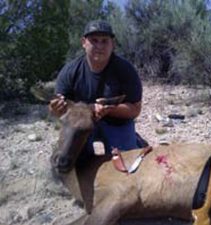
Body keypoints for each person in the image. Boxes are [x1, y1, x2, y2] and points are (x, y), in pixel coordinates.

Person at [49, 20, 146, 163]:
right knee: (65, 161)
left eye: (104, 41)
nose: (99, 46)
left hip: (117, 123)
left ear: (112, 44)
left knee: (128, 165)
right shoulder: (70, 71)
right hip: (81, 124)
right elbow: (57, 109)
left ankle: (132, 140)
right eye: (94, 40)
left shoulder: (125, 70)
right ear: (84, 42)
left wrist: (109, 110)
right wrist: (55, 108)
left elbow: (135, 109)